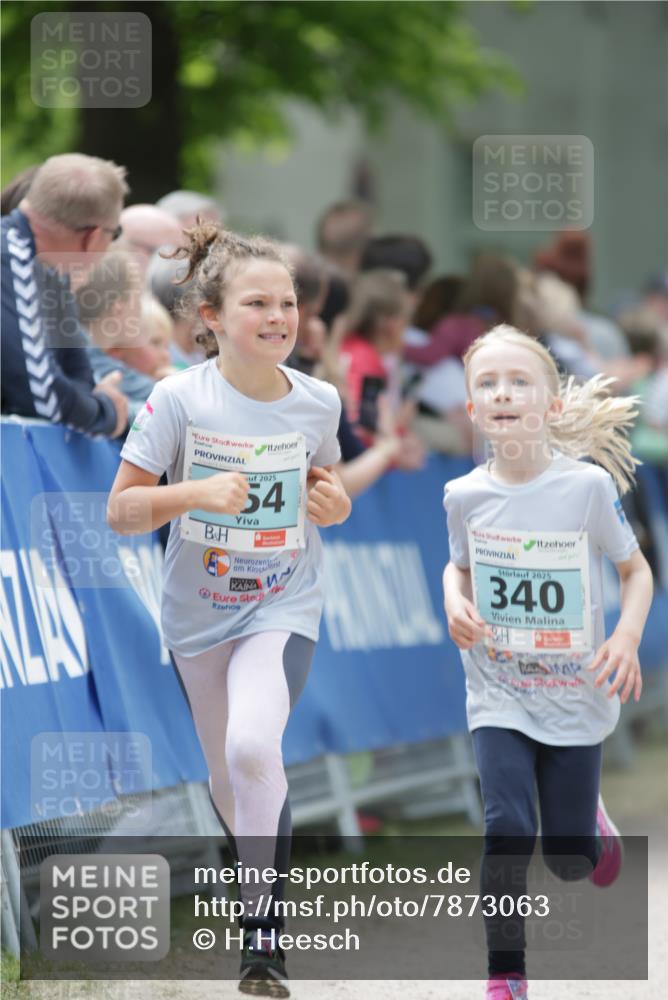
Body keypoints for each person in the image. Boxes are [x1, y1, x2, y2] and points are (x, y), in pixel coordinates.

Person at [107, 223, 351, 997]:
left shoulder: (319, 400)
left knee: (254, 747)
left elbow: (328, 493)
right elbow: (122, 513)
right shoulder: (178, 399)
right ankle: (258, 913)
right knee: (227, 775)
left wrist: (335, 503)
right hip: (196, 614)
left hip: (283, 601)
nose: (280, 316)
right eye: (258, 303)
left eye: (288, 302)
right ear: (209, 316)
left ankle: (264, 943)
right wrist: (195, 495)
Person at [442, 325, 653, 1000]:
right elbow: (459, 566)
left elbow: (635, 569)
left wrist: (623, 639)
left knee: (566, 862)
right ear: (472, 409)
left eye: (519, 380)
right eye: (487, 384)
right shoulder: (464, 495)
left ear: (552, 404)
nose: (503, 393)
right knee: (506, 825)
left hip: (575, 691)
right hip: (498, 689)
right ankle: (506, 973)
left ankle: (587, 820)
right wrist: (454, 602)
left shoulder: (586, 487)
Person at [1, 153, 128, 436]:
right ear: (93, 236)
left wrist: (91, 401)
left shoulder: (47, 266)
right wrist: (105, 410)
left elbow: (77, 371)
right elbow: (41, 397)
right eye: (114, 234)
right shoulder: (11, 258)